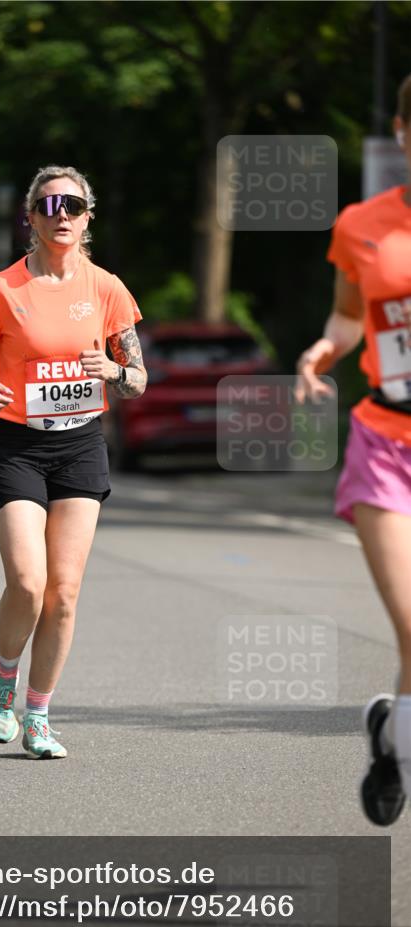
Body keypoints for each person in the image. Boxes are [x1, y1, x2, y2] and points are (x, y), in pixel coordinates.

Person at [0, 165, 147, 759]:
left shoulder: (107, 288)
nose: (61, 214)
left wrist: (115, 371)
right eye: (49, 204)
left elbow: (138, 379)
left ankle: (38, 714)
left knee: (64, 592)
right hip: (17, 447)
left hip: (81, 447)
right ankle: (3, 677)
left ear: (88, 217)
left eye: (74, 205)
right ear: (31, 217)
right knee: (29, 583)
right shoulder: (2, 289)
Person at [295, 74, 411, 825]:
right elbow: (347, 317)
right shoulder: (362, 225)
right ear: (402, 132)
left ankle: (392, 739)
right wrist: (321, 352)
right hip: (385, 442)